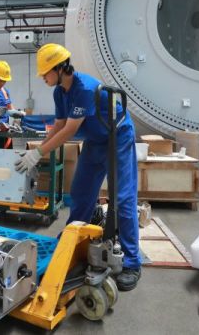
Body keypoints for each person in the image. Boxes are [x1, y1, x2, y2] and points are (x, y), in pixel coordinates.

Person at [14, 43, 141, 291]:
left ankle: (132, 263)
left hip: (117, 137)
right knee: (81, 193)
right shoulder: (59, 92)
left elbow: (70, 130)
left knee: (122, 198)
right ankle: (73, 241)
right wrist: (36, 150)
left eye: (45, 72)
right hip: (95, 141)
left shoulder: (83, 88)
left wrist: (39, 152)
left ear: (60, 68)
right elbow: (59, 125)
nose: (42, 77)